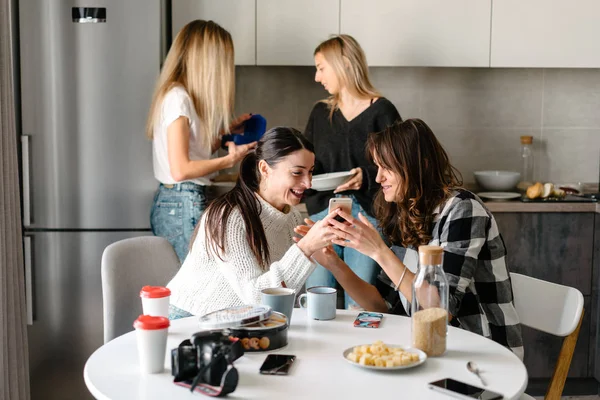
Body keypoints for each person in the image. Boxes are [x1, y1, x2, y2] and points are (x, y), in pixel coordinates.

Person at [297, 119, 524, 358]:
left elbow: (440, 311)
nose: (378, 178)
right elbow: (381, 305)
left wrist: (379, 252)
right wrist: (333, 262)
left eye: (387, 168)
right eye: (377, 167)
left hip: (480, 353)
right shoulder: (408, 213)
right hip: (426, 347)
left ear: (420, 167)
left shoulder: (463, 209)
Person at [166, 127, 339, 319]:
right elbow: (256, 297)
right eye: (297, 173)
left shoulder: (293, 218)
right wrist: (304, 249)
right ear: (265, 169)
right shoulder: (229, 217)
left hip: (242, 320)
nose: (308, 183)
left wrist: (316, 252)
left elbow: (283, 294)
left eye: (311, 172)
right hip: (190, 319)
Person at [303, 34, 401, 309]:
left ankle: (360, 353)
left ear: (343, 64)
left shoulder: (382, 111)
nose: (316, 76)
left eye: (321, 67)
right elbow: (308, 164)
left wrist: (366, 177)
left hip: (368, 220)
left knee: (361, 308)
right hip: (324, 217)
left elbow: (401, 166)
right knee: (317, 304)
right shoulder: (320, 113)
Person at [146, 20, 256, 262]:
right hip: (182, 201)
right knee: (191, 289)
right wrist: (230, 159)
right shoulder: (179, 99)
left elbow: (192, 153)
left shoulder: (181, 96)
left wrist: (225, 133)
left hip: (180, 201)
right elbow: (181, 169)